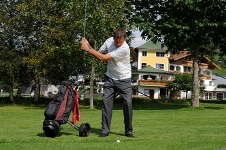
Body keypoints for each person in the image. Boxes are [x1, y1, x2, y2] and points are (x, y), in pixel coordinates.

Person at [80, 28, 134, 138]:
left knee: (127, 103)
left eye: (121, 41)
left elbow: (102, 58)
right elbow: (99, 53)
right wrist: (88, 45)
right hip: (110, 78)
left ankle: (128, 131)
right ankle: (105, 130)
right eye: (116, 41)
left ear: (124, 39)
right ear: (113, 38)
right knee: (106, 103)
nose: (118, 44)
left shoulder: (124, 48)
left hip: (124, 78)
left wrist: (88, 50)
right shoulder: (109, 41)